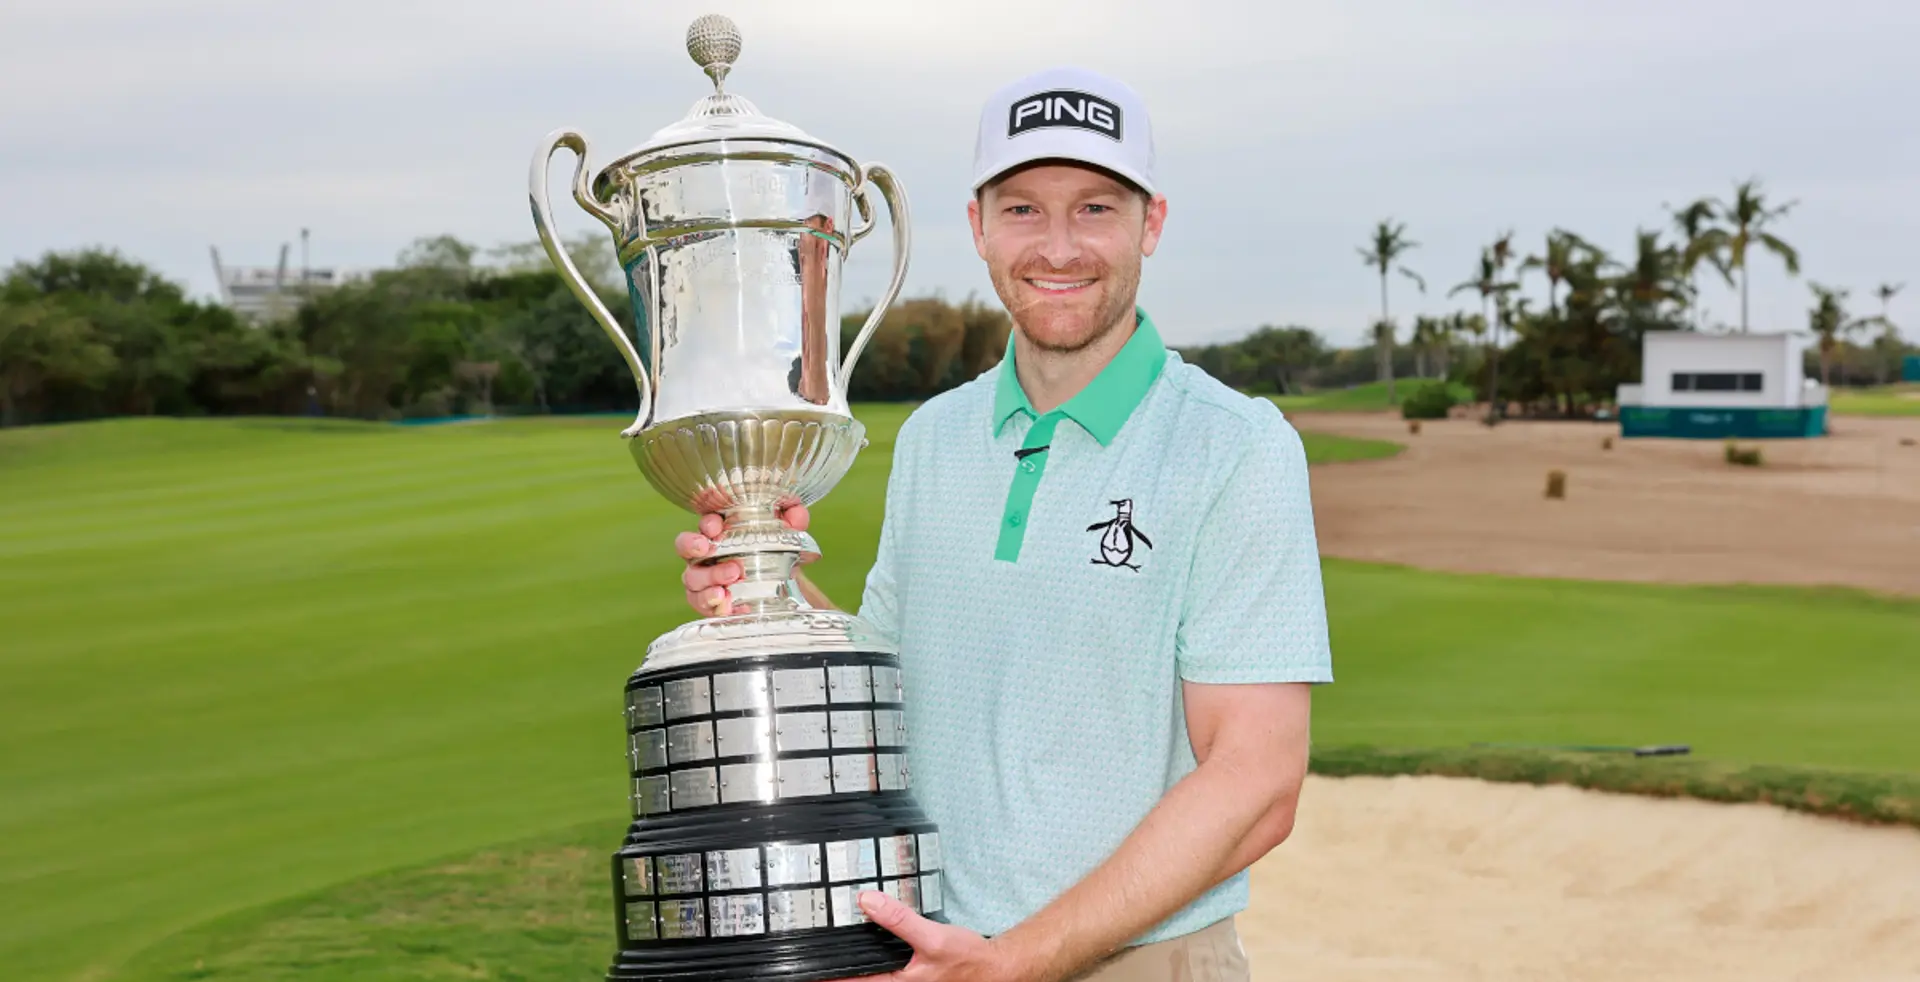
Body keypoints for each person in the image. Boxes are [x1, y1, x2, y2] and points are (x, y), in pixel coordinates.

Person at [675, 66, 1332, 982]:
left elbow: (1257, 786)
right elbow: (894, 690)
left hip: (1142, 962)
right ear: (979, 226)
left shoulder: (1236, 446)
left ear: (1153, 223)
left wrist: (1013, 962)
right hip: (936, 951)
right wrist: (768, 586)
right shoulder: (935, 436)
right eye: (1023, 209)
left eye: (1096, 208)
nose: (1058, 248)